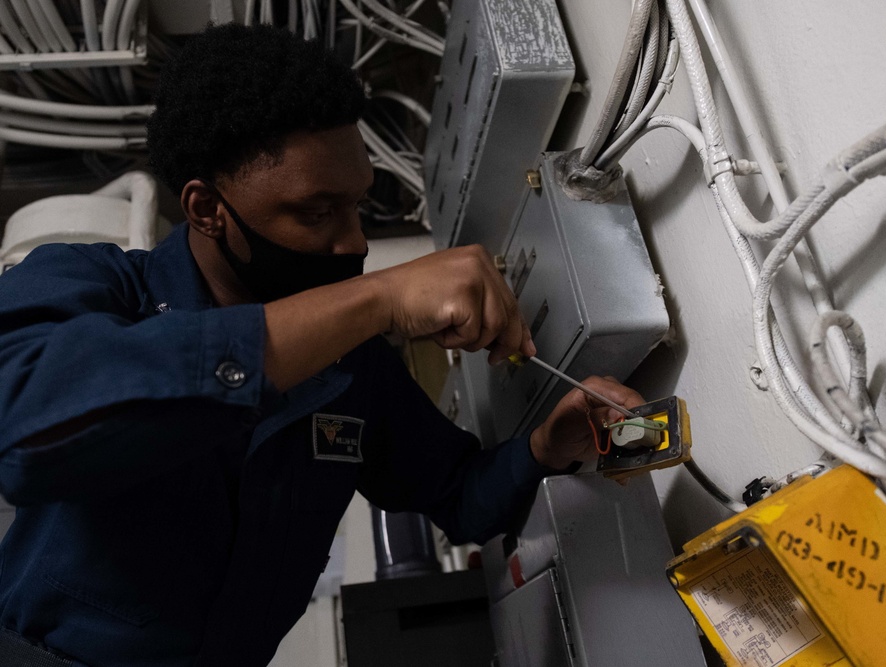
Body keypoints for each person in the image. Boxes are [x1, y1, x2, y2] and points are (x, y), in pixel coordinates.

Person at [0, 23, 641, 667]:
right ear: (206, 210)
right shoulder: (89, 285)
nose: (354, 243)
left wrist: (542, 448)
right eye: (316, 213)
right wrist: (381, 297)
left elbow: (458, 496)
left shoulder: (352, 369)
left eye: (359, 207)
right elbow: (30, 434)